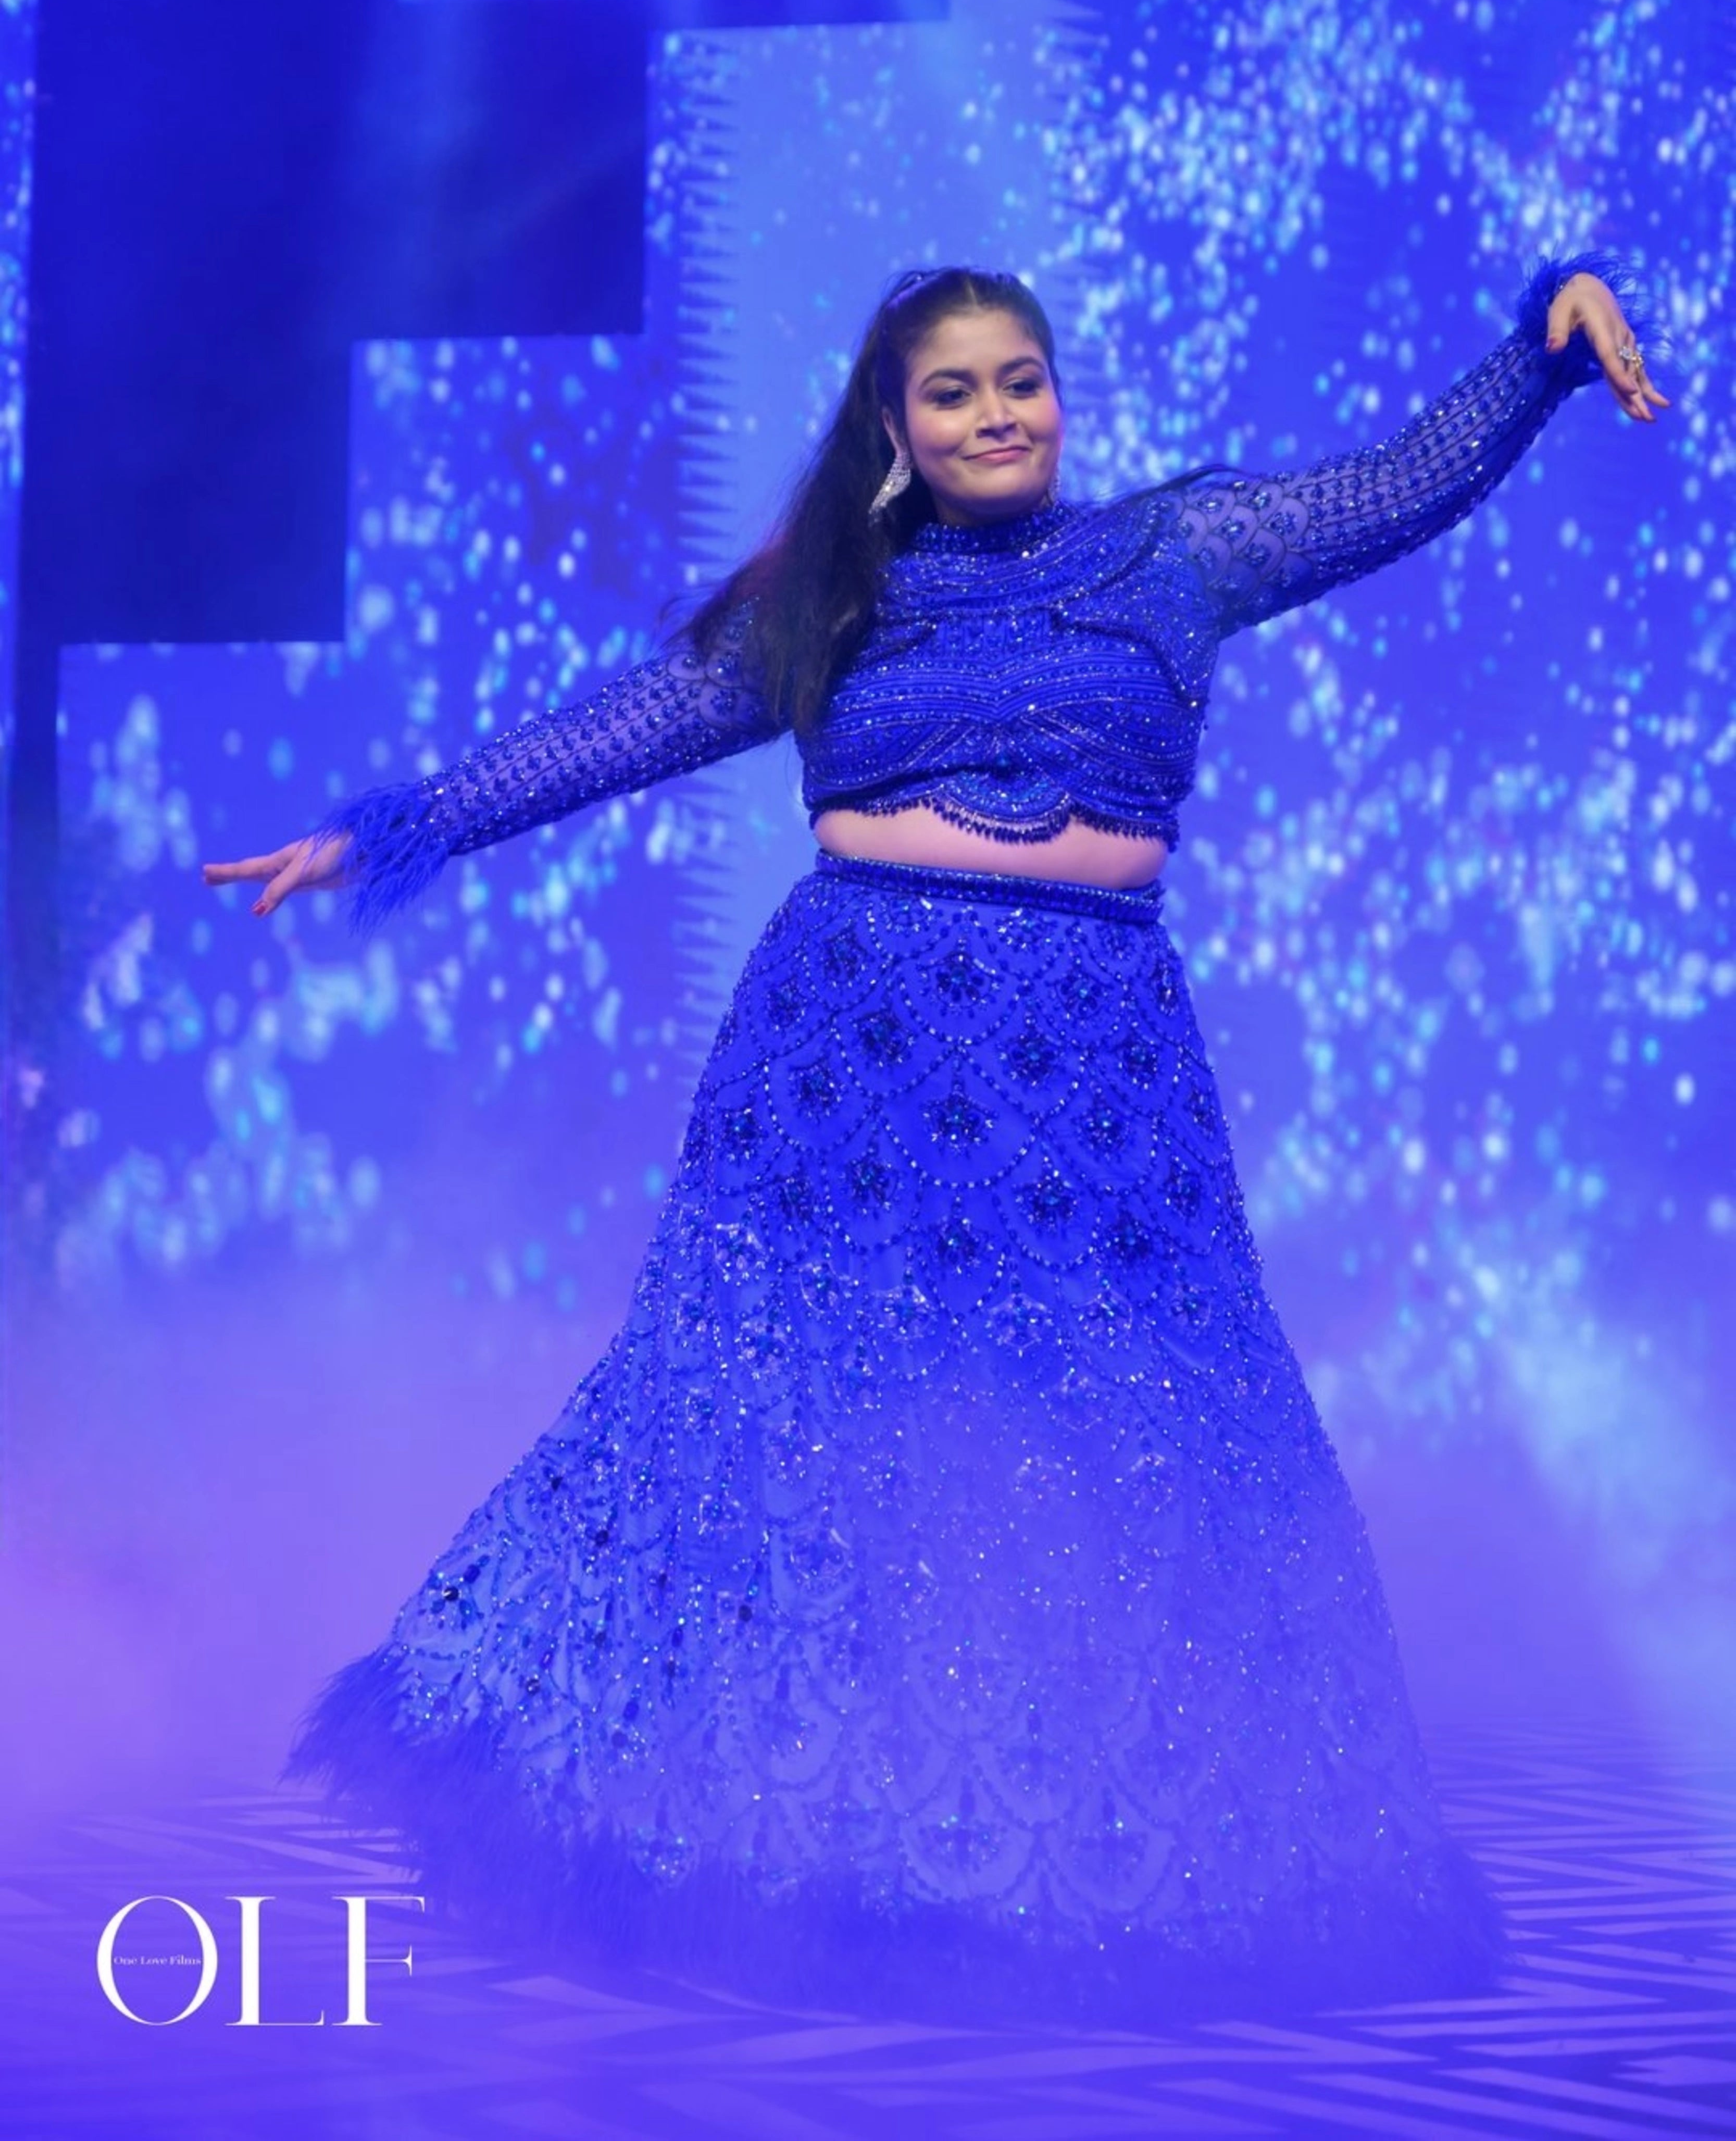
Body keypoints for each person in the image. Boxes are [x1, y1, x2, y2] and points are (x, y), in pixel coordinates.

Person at [204, 256, 1666, 2029]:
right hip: (847, 1059)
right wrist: (389, 831)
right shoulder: (834, 596)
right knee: (793, 1421)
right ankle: (775, 1859)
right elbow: (617, 732)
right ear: (893, 426)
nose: (997, 414)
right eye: (956, 391)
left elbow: (1392, 486)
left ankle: (1089, 1877)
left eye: (1022, 380)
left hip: (1096, 1070)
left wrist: (1543, 340)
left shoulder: (1177, 552)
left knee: (1129, 1432)